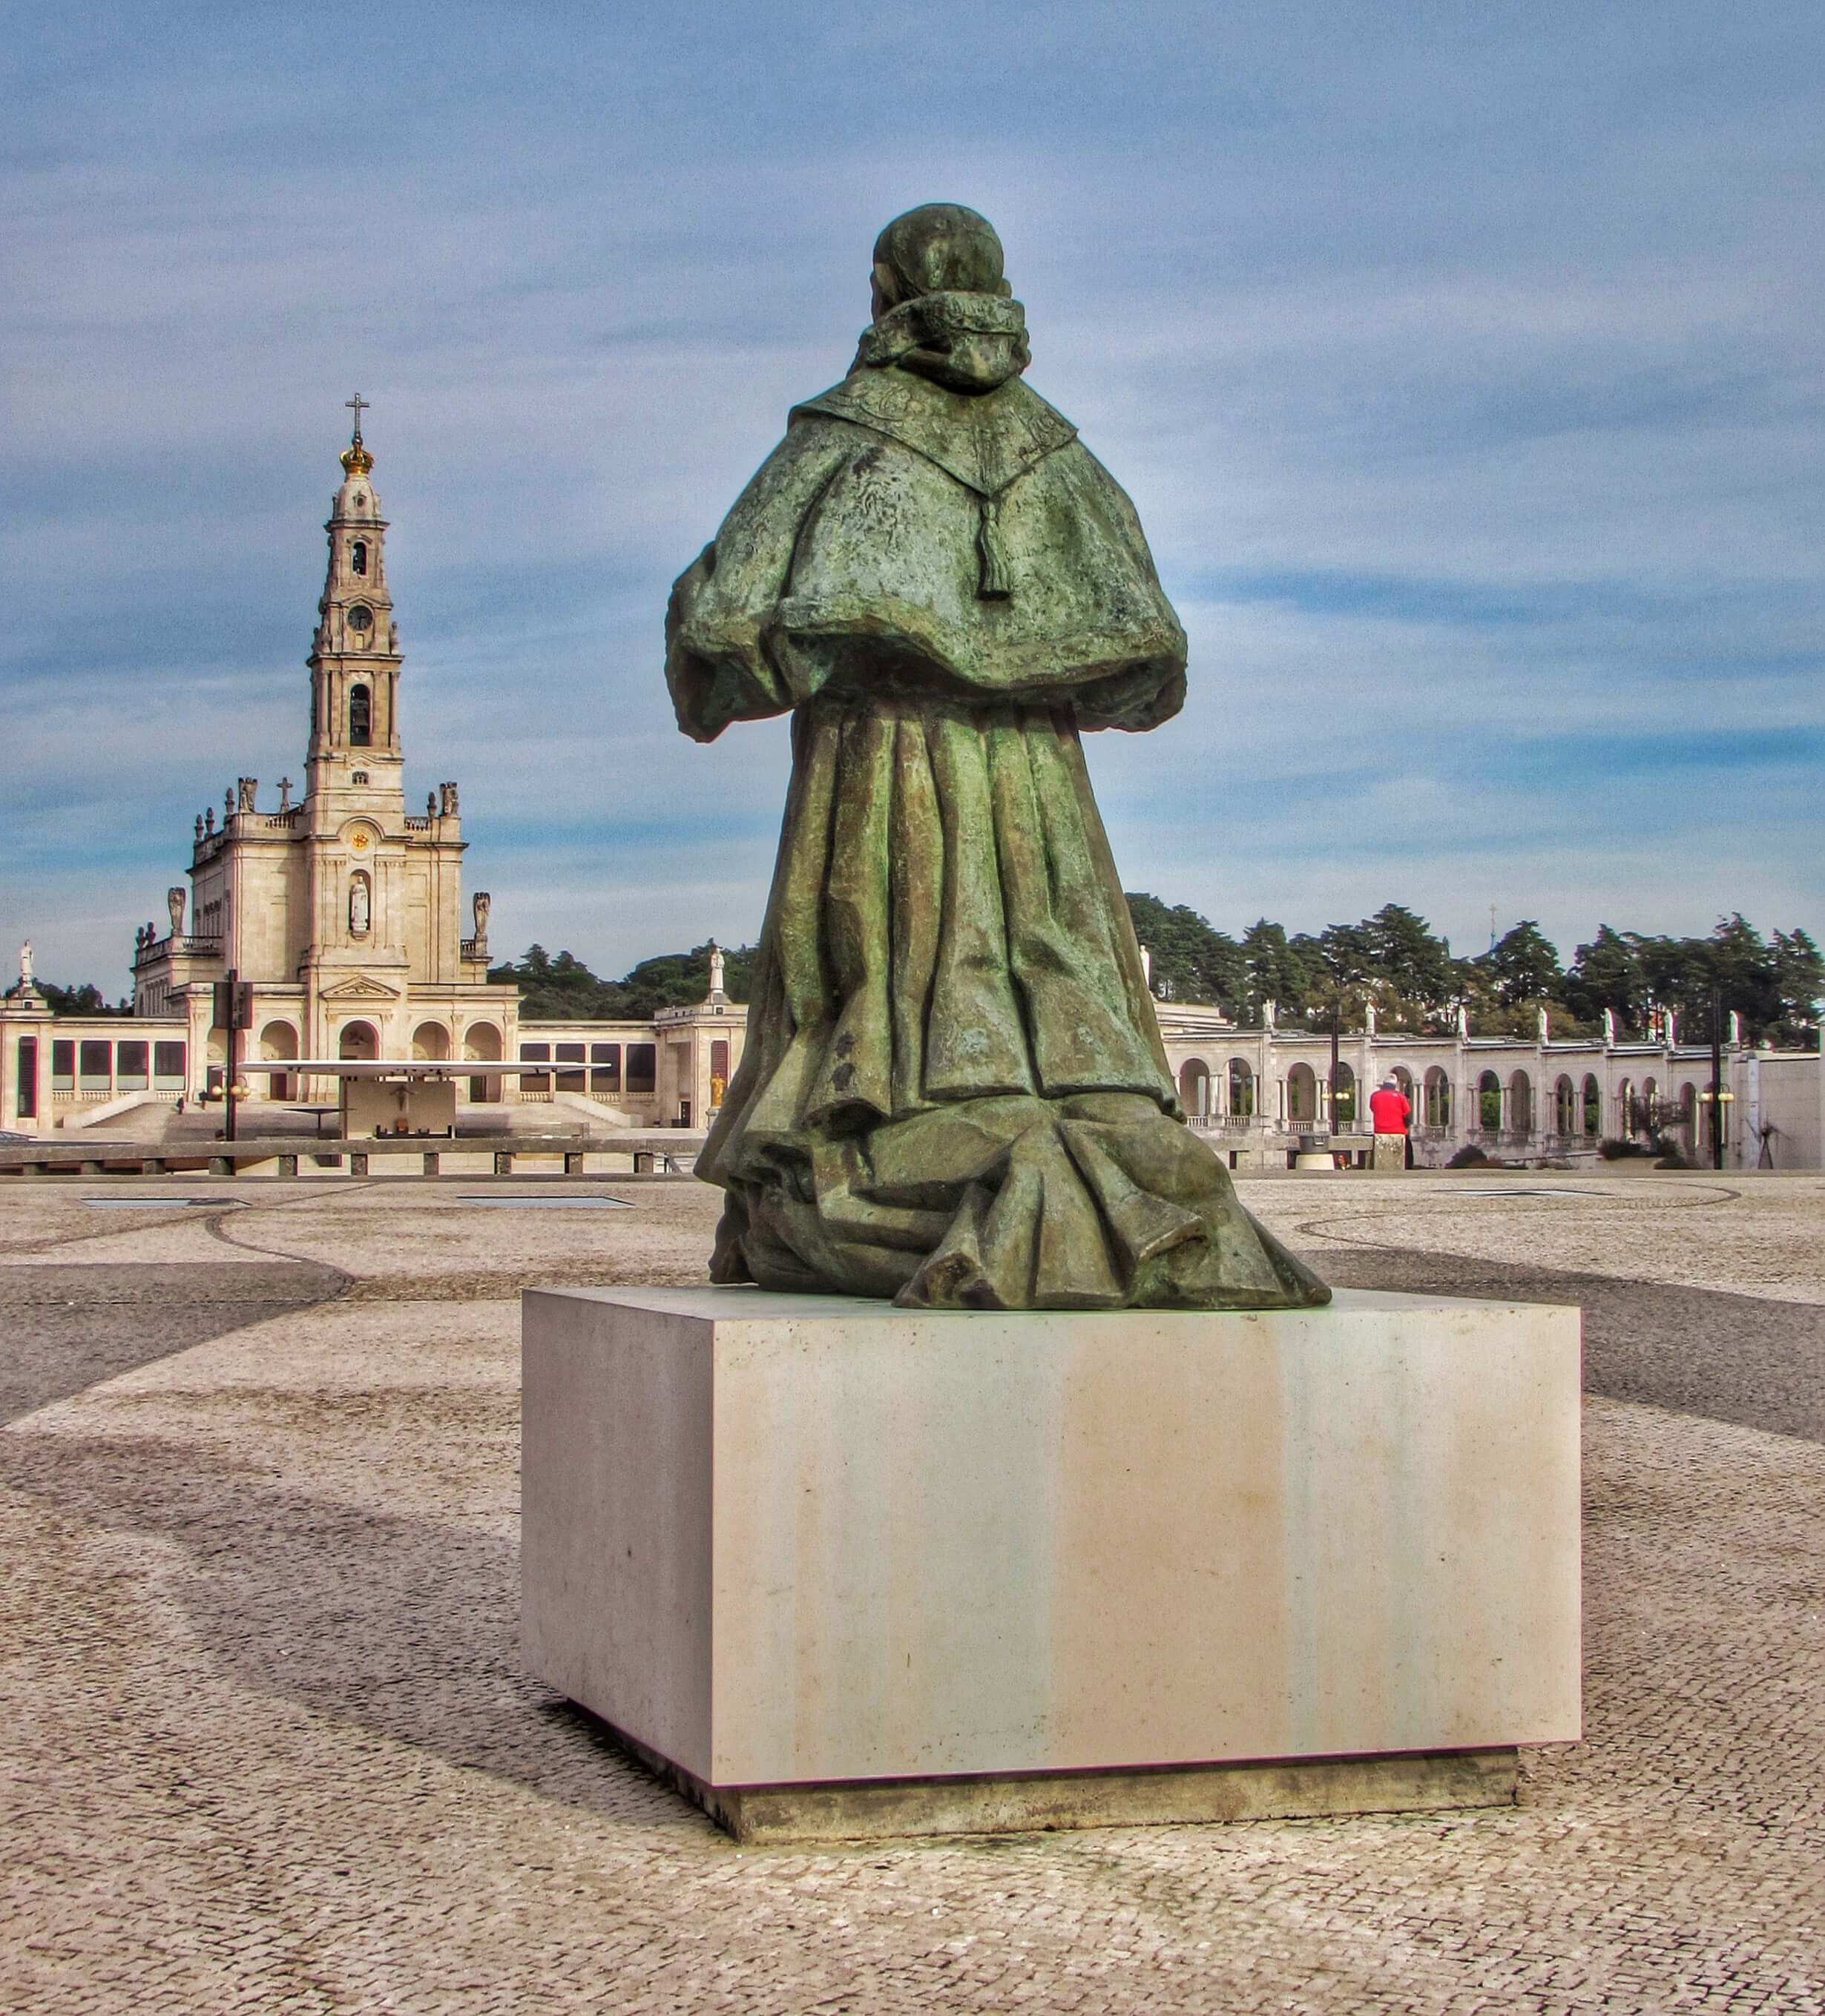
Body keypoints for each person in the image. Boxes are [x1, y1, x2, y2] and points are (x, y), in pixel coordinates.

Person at [665, 204, 1329, 1314]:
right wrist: (1017, 657)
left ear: (884, 295)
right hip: (1038, 788)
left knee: (884, 999)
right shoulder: (1059, 450)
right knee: (1047, 978)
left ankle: (947, 1162)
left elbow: (716, 629)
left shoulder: (841, 437)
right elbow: (1151, 651)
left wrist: (858, 633)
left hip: (883, 771)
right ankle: (1071, 1155)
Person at [1369, 1076, 1413, 1166]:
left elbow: (1373, 1109)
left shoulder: (1374, 1096)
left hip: (1379, 1130)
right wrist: (1406, 1126)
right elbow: (1407, 1114)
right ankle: (1408, 1167)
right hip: (1398, 1130)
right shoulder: (1400, 1096)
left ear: (1384, 1084)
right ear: (1395, 1085)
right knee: (1408, 1146)